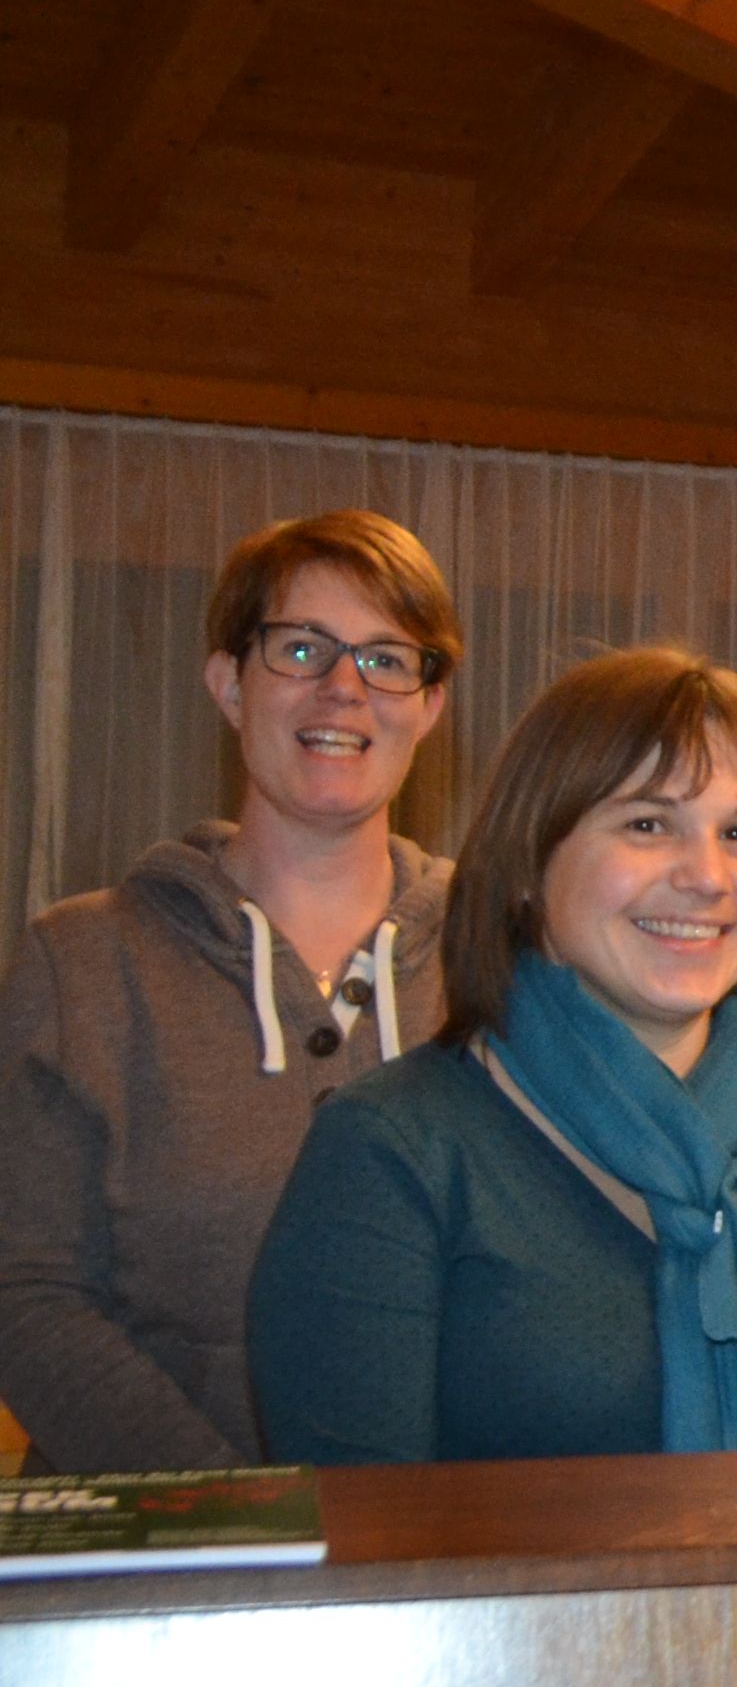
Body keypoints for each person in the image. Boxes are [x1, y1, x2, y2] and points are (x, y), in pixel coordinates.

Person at [246, 647, 737, 1473]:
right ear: (530, 864)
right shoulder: (392, 1150)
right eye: (647, 824)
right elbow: (360, 1551)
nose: (707, 876)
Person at [0, 510, 459, 1467]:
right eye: (301, 649)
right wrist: (228, 1516)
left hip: (445, 1571)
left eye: (385, 659)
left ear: (430, 704)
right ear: (227, 682)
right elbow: (26, 1294)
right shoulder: (82, 962)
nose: (344, 689)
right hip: (153, 1580)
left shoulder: (508, 960)